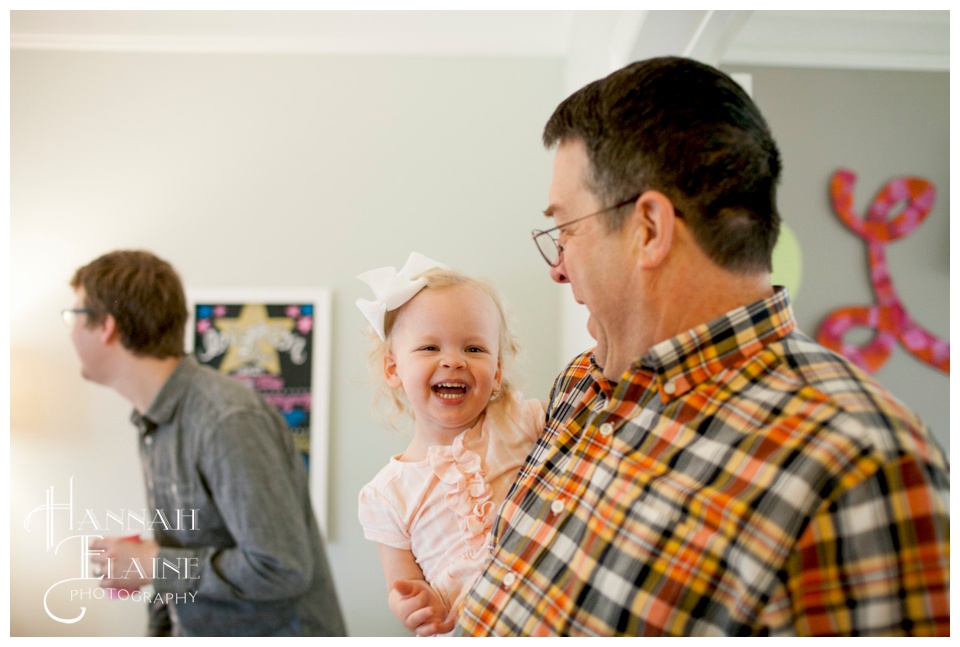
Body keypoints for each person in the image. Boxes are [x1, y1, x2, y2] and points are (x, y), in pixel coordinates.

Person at [457, 56, 950, 636]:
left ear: (649, 230)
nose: (557, 269)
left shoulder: (857, 464)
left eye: (566, 229)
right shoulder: (581, 387)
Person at [66, 249, 347, 637]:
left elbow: (281, 568)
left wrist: (153, 564)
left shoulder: (226, 419)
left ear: (106, 326)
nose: (69, 331)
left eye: (74, 315)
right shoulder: (155, 420)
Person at [355, 252, 545, 636]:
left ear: (497, 373)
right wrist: (413, 604)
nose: (453, 361)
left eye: (474, 349)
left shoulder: (520, 420)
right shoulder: (387, 495)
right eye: (430, 348)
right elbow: (400, 585)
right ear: (393, 368)